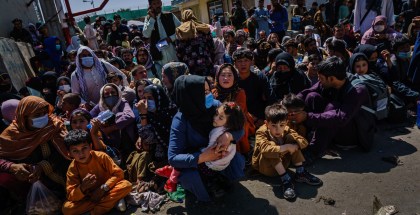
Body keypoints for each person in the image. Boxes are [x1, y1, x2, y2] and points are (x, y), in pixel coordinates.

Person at [168, 75, 245, 202]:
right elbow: (173, 158)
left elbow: (239, 126)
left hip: (218, 158)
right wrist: (203, 157)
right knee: (189, 177)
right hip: (196, 163)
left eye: (209, 90)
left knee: (237, 159)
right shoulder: (180, 120)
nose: (209, 95)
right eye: (204, 92)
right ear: (191, 96)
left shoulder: (216, 106)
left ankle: (219, 178)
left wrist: (229, 136)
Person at [297, 57, 375, 161]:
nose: (319, 80)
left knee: (332, 107)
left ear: (331, 79)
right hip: (336, 126)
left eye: (321, 78)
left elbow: (340, 118)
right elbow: (307, 92)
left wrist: (307, 117)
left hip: (353, 135)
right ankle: (315, 137)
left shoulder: (358, 90)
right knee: (312, 96)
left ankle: (314, 151)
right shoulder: (330, 80)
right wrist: (289, 104)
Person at [0, 96, 71, 203]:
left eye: (44, 113)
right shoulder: (10, 135)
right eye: (37, 115)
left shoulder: (54, 125)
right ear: (24, 117)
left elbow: (66, 153)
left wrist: (42, 166)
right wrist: (12, 166)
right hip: (27, 181)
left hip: (58, 172)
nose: (43, 117)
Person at [251, 104, 322, 200]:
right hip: (267, 167)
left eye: (281, 125)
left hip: (283, 163)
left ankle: (300, 173)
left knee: (292, 139)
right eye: (273, 125)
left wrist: (294, 146)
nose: (278, 129)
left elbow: (304, 142)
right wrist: (286, 147)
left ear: (286, 123)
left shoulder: (286, 129)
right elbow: (265, 149)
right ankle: (286, 180)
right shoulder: (261, 131)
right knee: (271, 147)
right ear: (266, 123)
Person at [62, 129, 132, 214]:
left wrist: (103, 188)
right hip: (90, 197)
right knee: (66, 209)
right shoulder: (72, 168)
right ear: (69, 153)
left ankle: (95, 211)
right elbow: (71, 195)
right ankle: (111, 202)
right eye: (75, 151)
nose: (81, 154)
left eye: (84, 148)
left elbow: (118, 174)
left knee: (126, 185)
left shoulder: (101, 156)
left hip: (107, 189)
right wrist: (82, 188)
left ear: (90, 146)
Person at [212, 64, 255, 155]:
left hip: (237, 119)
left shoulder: (239, 92)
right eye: (222, 75)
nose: (226, 78)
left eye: (229, 75)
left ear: (235, 78)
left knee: (240, 127)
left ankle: (242, 151)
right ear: (217, 77)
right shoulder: (213, 93)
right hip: (218, 119)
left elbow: (237, 113)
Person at [89, 83, 136, 162]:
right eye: (106, 94)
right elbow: (89, 118)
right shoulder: (99, 106)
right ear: (102, 96)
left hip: (125, 139)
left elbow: (130, 115)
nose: (110, 95)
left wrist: (112, 127)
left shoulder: (122, 102)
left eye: (113, 93)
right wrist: (100, 124)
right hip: (107, 141)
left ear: (118, 93)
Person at [234, 48, 275, 128]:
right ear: (235, 64)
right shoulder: (232, 79)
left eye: (246, 60)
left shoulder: (260, 77)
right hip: (238, 118)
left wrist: (265, 118)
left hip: (260, 118)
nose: (243, 64)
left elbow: (271, 98)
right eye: (239, 61)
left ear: (252, 62)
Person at [201, 102, 245, 172]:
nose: (215, 118)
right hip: (226, 161)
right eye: (216, 114)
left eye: (220, 118)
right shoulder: (230, 128)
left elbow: (209, 149)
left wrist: (200, 152)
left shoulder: (217, 132)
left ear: (229, 123)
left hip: (213, 163)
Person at [175, 9, 215, 76]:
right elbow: (212, 46)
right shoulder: (203, 27)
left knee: (194, 84)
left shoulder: (180, 30)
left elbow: (179, 51)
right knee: (207, 83)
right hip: (206, 62)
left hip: (190, 65)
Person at [142, 0, 181, 68]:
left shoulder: (169, 16)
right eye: (154, 4)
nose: (157, 5)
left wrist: (170, 39)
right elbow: (146, 34)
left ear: (161, 3)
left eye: (158, 3)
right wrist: (152, 19)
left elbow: (181, 31)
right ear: (150, 6)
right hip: (159, 57)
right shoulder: (148, 19)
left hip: (173, 53)